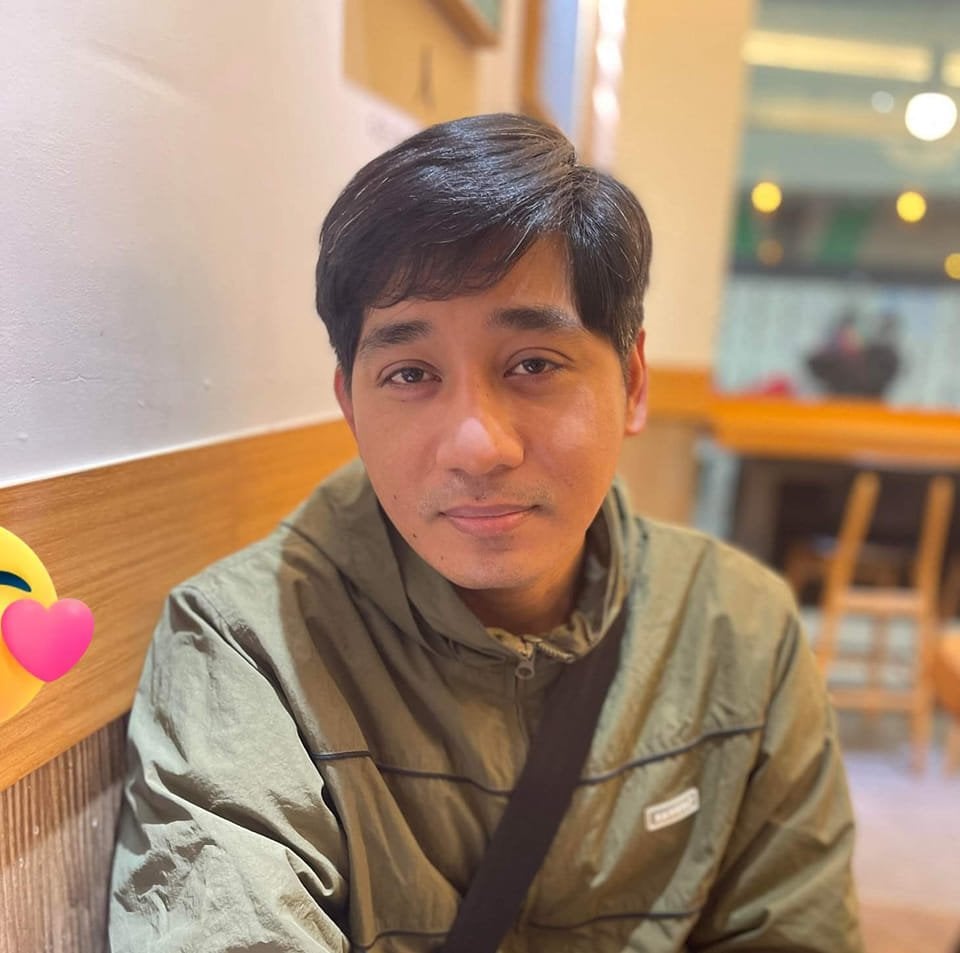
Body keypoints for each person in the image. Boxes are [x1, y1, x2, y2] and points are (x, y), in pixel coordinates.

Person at [109, 113, 863, 952]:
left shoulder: (740, 631)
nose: (477, 444)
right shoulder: (246, 648)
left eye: (533, 363)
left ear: (633, 381)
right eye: (410, 373)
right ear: (351, 404)